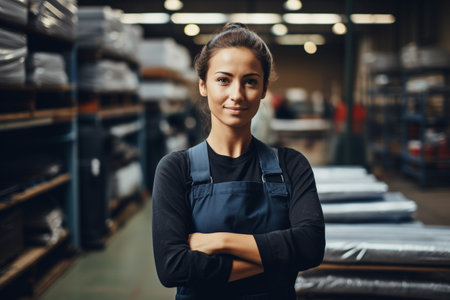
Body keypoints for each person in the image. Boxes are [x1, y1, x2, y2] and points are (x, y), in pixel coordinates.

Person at [152, 23, 325, 300]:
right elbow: (173, 268)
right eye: (223, 80)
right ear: (203, 85)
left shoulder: (291, 166)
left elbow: (311, 247)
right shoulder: (176, 169)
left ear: (264, 88)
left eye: (250, 81)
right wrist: (277, 260)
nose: (237, 94)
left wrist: (220, 241)